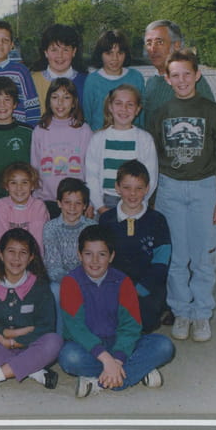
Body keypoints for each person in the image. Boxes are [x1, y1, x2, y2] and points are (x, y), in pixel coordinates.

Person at [148, 48, 216, 343]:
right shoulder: (161, 114)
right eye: (175, 75)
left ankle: (201, 314)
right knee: (176, 257)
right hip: (170, 189)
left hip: (204, 189)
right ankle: (181, 312)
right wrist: (153, 198)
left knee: (203, 257)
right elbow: (152, 157)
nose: (182, 80)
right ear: (167, 78)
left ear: (197, 75)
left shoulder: (213, 112)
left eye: (187, 73)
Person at [58, 225, 174, 397]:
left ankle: (102, 379)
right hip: (86, 346)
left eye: (102, 254)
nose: (95, 261)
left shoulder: (123, 282)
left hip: (119, 342)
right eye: (88, 254)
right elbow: (76, 329)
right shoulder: (70, 282)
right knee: (69, 357)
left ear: (111, 256)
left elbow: (131, 327)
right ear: (79, 255)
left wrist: (117, 360)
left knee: (164, 346)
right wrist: (106, 359)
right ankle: (134, 373)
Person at [0, 228, 62, 395]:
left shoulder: (39, 286)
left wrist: (15, 342)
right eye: (11, 251)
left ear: (31, 257)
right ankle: (34, 371)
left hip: (30, 348)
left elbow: (46, 326)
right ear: (1, 255)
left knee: (54, 341)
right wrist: (5, 334)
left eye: (23, 253)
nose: (16, 258)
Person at [97, 160, 171, 333]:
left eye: (139, 188)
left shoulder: (157, 220)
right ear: (117, 188)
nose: (133, 194)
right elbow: (101, 259)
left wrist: (139, 290)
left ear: (147, 189)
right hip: (114, 286)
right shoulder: (106, 220)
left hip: (146, 288)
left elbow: (161, 262)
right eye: (127, 187)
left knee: (143, 323)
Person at [85, 84, 157, 215]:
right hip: (105, 201)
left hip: (135, 201)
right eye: (118, 103)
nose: (124, 109)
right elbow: (91, 176)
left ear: (138, 109)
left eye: (130, 104)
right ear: (110, 107)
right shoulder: (98, 139)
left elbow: (151, 177)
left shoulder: (145, 139)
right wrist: (99, 206)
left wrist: (140, 202)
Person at [30, 78, 93, 218]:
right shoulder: (40, 130)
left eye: (66, 97)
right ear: (48, 101)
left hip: (75, 203)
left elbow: (90, 170)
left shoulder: (84, 130)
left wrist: (90, 201)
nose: (60, 102)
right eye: (55, 97)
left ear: (74, 102)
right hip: (46, 200)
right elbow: (34, 167)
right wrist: (34, 199)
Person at [42, 178, 97, 334]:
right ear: (59, 203)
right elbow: (53, 267)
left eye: (78, 203)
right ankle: (59, 334)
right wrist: (74, 283)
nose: (72, 208)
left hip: (88, 278)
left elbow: (96, 262)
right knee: (55, 290)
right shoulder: (50, 228)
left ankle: (89, 334)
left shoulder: (92, 227)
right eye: (67, 202)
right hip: (61, 280)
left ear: (85, 205)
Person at [139, 20, 215, 127]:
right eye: (149, 43)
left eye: (159, 42)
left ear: (176, 45)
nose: (153, 49)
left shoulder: (193, 81)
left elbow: (213, 123)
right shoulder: (151, 82)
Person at [0, 76, 33, 209]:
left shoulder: (29, 132)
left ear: (15, 104)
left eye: (7, 100)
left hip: (22, 196)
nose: (2, 105)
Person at [82, 29, 145, 130]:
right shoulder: (92, 80)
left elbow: (142, 114)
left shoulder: (136, 77)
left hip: (132, 136)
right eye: (109, 53)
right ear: (101, 54)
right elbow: (87, 115)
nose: (115, 58)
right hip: (100, 136)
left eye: (120, 53)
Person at [0, 162, 49, 253]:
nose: (19, 188)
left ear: (32, 185)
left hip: (32, 257)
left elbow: (38, 242)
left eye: (24, 182)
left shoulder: (38, 207)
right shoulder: (0, 206)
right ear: (6, 186)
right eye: (13, 183)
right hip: (6, 258)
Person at [29, 24, 88, 110]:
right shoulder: (32, 81)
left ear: (74, 52)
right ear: (46, 52)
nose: (60, 55)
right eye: (54, 50)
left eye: (65, 50)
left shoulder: (87, 82)